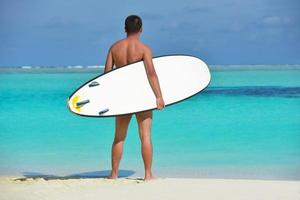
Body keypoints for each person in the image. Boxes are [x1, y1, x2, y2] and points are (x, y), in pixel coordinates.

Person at [104, 15, 165, 181]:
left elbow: (106, 76)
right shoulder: (144, 49)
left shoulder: (114, 48)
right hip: (142, 97)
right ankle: (147, 174)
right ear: (141, 29)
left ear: (125, 29)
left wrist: (107, 99)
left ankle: (114, 174)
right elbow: (151, 73)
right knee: (145, 136)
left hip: (122, 98)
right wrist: (159, 96)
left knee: (119, 137)